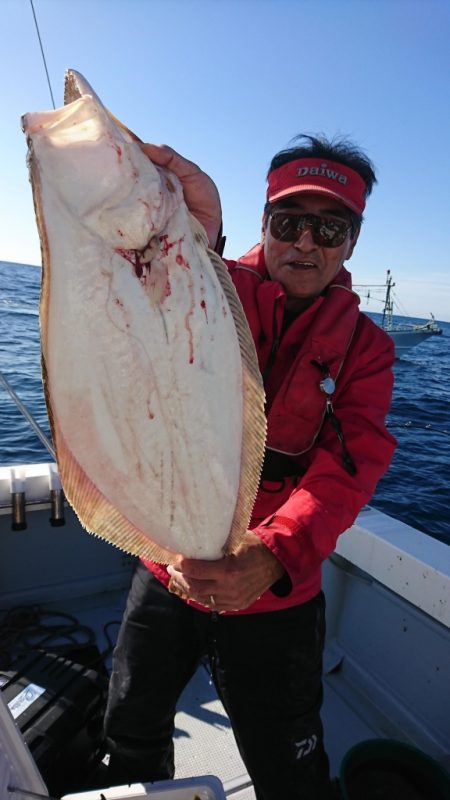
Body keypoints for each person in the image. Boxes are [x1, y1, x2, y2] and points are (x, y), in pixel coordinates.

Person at [103, 134, 396, 799]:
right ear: (263, 223)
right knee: (130, 729)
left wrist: (269, 555)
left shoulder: (368, 350)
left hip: (278, 591)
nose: (306, 242)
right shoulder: (203, 276)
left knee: (289, 764)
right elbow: (122, 290)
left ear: (351, 242)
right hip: (165, 567)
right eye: (289, 221)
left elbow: (350, 466)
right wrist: (186, 229)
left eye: (330, 227)